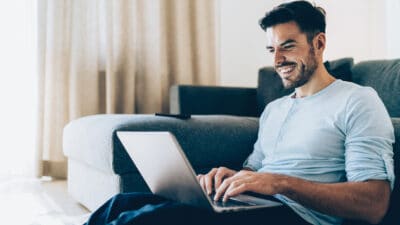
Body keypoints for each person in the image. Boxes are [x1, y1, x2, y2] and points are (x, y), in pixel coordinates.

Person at [84, 1, 395, 225]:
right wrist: (231, 177)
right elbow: (256, 171)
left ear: (319, 43)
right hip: (254, 208)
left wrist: (281, 183)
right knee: (120, 205)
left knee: (146, 221)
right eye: (272, 50)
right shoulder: (275, 109)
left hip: (297, 215)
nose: (278, 60)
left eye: (288, 46)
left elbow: (374, 204)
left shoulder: (357, 101)